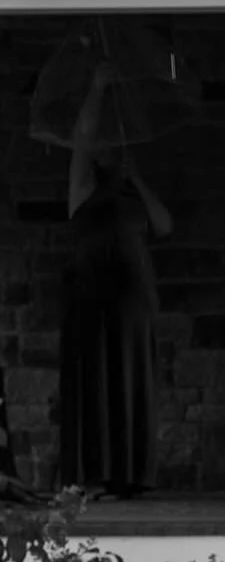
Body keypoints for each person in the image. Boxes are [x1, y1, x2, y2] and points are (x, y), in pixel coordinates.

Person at [58, 62, 172, 497]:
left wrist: (138, 179)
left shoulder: (132, 196)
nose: (115, 151)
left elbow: (164, 226)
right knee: (96, 382)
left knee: (131, 383)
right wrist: (98, 86)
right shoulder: (83, 186)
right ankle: (93, 474)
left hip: (133, 304)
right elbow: (82, 138)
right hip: (93, 299)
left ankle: (130, 475)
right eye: (111, 146)